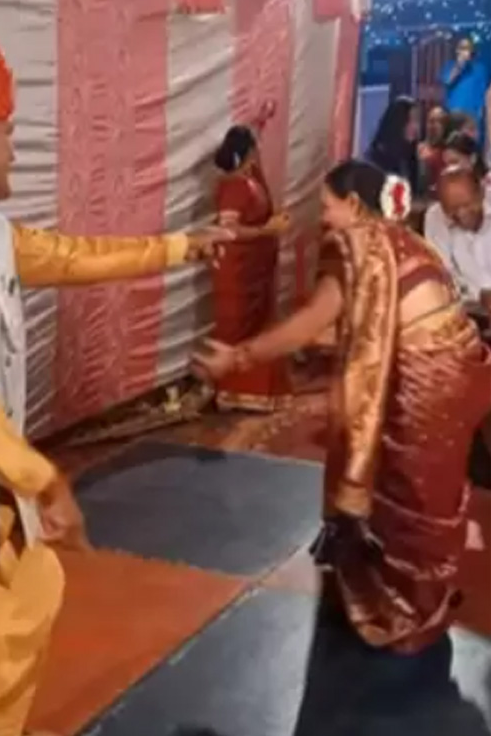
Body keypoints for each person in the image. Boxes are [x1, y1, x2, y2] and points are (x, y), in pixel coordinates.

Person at [0, 26, 230, 736]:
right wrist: (41, 478)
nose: (15, 147)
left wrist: (184, 247)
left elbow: (73, 256)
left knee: (25, 618)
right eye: (7, 132)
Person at [195, 160, 491, 655]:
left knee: (404, 490)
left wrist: (239, 356)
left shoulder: (359, 248)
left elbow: (312, 322)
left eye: (327, 206)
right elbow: (354, 327)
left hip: (425, 384)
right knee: (422, 491)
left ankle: (402, 608)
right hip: (457, 371)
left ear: (354, 205)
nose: (323, 218)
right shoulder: (404, 240)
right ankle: (422, 596)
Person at [210, 121, 294, 411]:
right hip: (237, 271)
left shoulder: (251, 180)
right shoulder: (234, 185)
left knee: (259, 326)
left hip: (256, 270)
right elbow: (228, 230)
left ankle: (256, 392)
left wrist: (274, 224)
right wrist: (266, 230)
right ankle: (235, 392)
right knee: (238, 329)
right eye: (255, 147)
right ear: (248, 151)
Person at [424, 166, 491, 320]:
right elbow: (443, 274)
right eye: (452, 209)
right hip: (466, 314)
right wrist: (480, 294)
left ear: (481, 193)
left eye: (467, 205)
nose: (461, 214)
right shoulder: (435, 218)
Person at [365, 96, 420, 192]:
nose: (416, 127)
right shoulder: (378, 157)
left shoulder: (410, 157)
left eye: (417, 121)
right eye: (411, 120)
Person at [441, 37, 489, 144]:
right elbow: (448, 81)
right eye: (462, 48)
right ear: (457, 50)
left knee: (471, 147)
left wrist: (481, 112)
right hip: (455, 114)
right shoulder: (449, 66)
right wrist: (459, 65)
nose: (465, 51)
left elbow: (484, 91)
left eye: (467, 48)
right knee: (453, 144)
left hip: (473, 116)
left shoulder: (480, 68)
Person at [418, 105, 449, 194]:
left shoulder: (450, 152)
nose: (435, 125)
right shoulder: (417, 149)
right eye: (431, 121)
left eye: (440, 122)